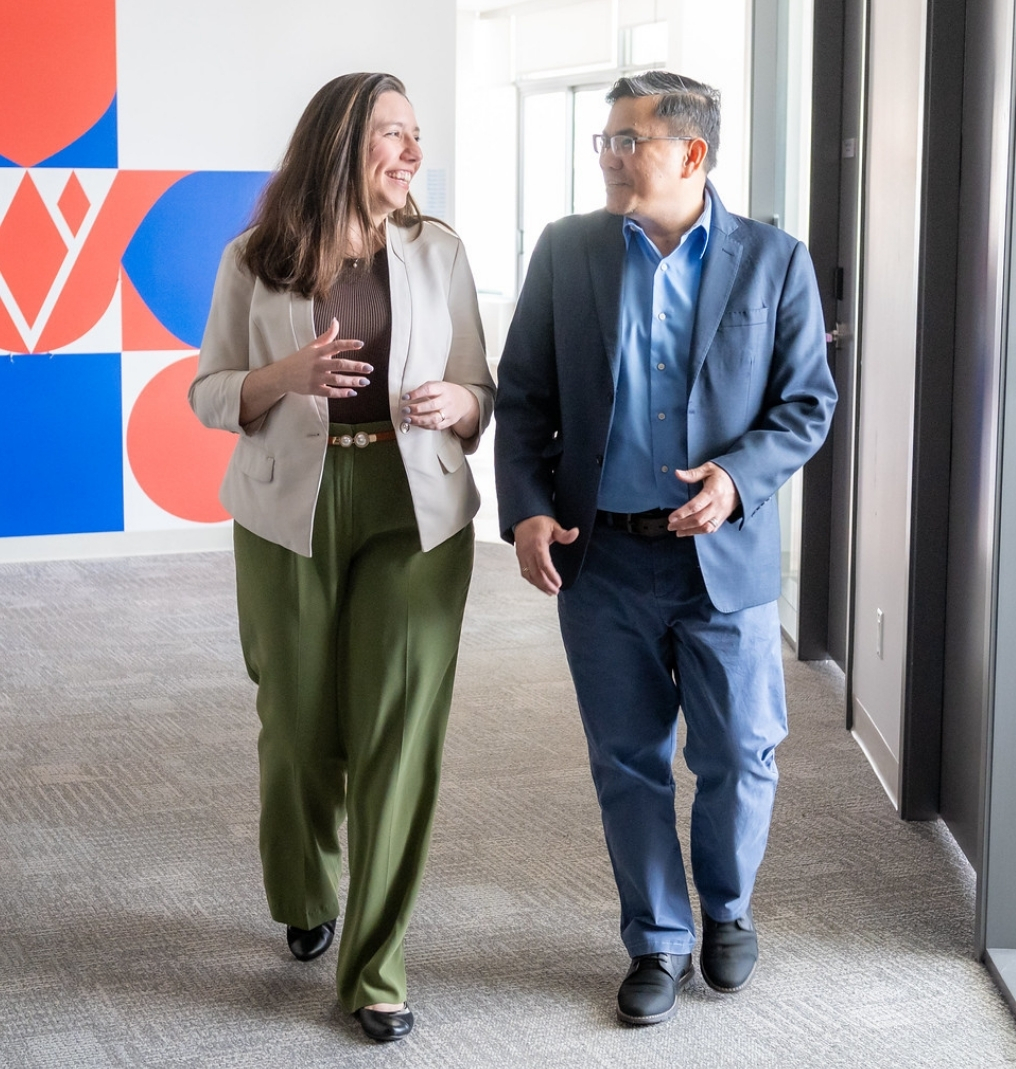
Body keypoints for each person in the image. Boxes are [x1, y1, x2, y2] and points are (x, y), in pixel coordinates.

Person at [494, 71, 836, 1026]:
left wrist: (736, 480)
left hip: (721, 561)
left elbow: (806, 404)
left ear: (690, 153)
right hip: (600, 558)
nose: (605, 155)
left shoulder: (774, 260)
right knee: (628, 757)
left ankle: (726, 907)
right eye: (603, 139)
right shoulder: (567, 252)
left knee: (740, 750)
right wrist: (523, 508)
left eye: (626, 140)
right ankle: (656, 936)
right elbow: (522, 395)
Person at [189, 72, 494, 1043]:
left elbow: (477, 384)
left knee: (395, 736)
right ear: (337, 145)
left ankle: (374, 968)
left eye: (414, 135)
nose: (409, 152)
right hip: (289, 510)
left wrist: (463, 406)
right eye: (389, 135)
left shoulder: (437, 249)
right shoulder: (259, 256)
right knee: (296, 726)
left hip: (415, 509)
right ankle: (305, 888)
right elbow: (207, 393)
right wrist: (287, 375)